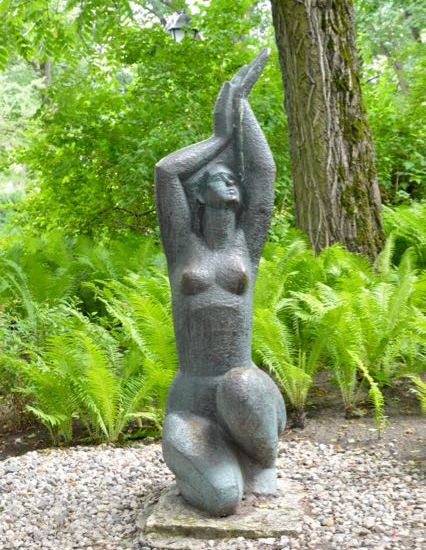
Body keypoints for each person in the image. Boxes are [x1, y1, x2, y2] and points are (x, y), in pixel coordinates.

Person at [155, 49, 286, 517]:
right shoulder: (183, 247)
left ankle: (260, 458)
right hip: (192, 400)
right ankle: (220, 465)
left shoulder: (246, 245)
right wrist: (220, 137)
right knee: (222, 500)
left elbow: (264, 172)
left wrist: (240, 105)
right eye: (219, 178)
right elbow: (167, 171)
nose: (232, 183)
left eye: (234, 179)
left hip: (244, 392)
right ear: (198, 194)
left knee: (240, 384)